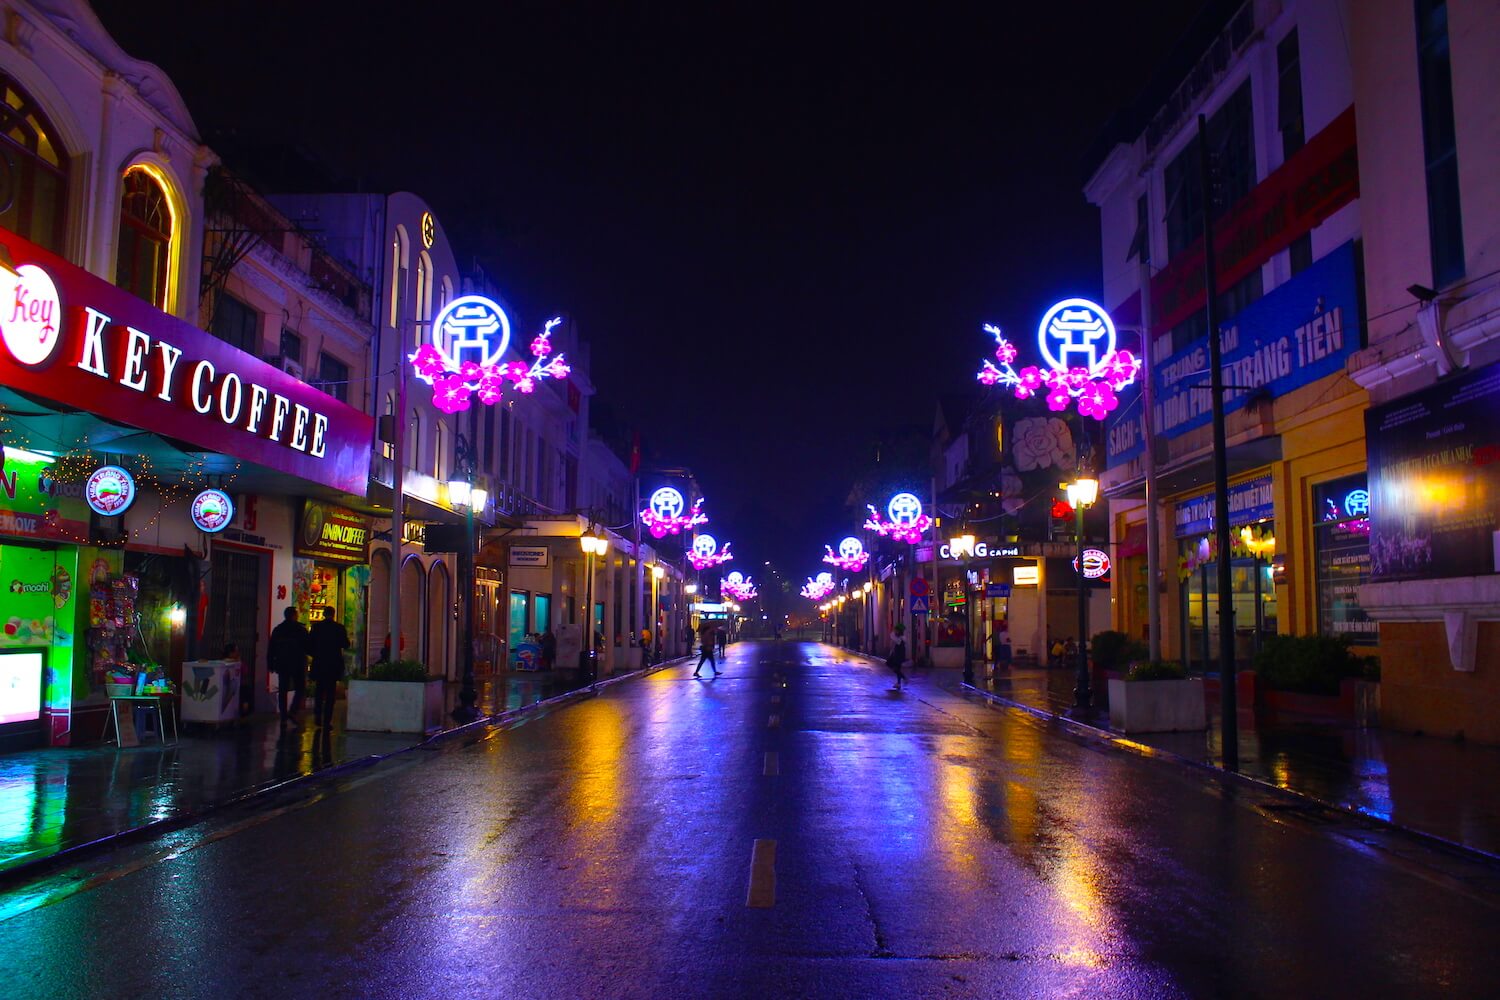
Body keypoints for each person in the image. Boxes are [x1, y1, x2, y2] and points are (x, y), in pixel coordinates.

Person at [308, 611, 351, 730]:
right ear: (333, 614)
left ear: (323, 614)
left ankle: (317, 715)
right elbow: (346, 644)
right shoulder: (339, 628)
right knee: (330, 693)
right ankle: (327, 720)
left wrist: (316, 654)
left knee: (319, 690)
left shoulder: (316, 627)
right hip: (333, 664)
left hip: (319, 663)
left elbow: (309, 645)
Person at [268, 607, 309, 726]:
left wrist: (270, 663)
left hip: (282, 663)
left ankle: (283, 715)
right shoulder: (300, 630)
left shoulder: (278, 629)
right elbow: (307, 646)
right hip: (297, 663)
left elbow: (271, 648)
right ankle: (293, 710)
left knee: (283, 689)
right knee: (300, 688)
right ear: (294, 616)